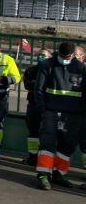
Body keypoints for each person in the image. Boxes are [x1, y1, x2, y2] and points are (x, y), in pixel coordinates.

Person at [35, 42, 85, 190]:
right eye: (63, 56)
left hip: (72, 115)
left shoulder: (81, 69)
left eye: (68, 57)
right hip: (50, 111)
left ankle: (59, 174)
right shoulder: (48, 65)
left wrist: (81, 112)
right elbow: (39, 90)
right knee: (47, 142)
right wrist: (43, 110)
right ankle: (44, 175)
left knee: (67, 144)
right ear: (59, 53)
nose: (65, 59)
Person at [22, 49, 52, 166]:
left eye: (43, 55)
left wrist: (37, 85)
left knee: (46, 134)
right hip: (33, 105)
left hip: (47, 107)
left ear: (49, 57)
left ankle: (43, 160)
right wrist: (41, 85)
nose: (41, 57)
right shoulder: (31, 70)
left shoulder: (52, 71)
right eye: (39, 55)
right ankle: (32, 157)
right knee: (33, 132)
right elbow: (27, 85)